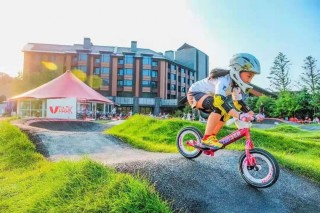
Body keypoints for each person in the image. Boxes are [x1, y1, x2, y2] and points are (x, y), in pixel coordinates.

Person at [187, 53, 263, 149]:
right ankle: (206, 139)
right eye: (249, 76)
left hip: (209, 97)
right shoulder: (224, 79)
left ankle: (212, 136)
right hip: (195, 94)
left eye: (252, 77)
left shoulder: (235, 86)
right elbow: (219, 100)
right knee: (218, 106)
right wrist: (239, 115)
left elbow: (239, 103)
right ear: (237, 70)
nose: (250, 80)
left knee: (226, 113)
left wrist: (254, 115)